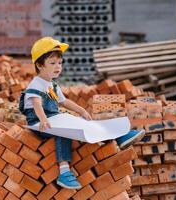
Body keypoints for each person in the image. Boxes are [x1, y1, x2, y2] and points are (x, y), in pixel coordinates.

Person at [19, 37, 145, 190]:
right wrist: (44, 119)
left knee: (81, 122)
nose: (58, 66)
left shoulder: (52, 84)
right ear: (39, 65)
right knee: (64, 132)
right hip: (39, 123)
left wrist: (82, 110)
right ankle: (64, 171)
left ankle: (119, 136)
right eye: (52, 63)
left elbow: (64, 102)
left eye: (60, 63)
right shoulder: (36, 84)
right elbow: (36, 103)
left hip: (54, 118)